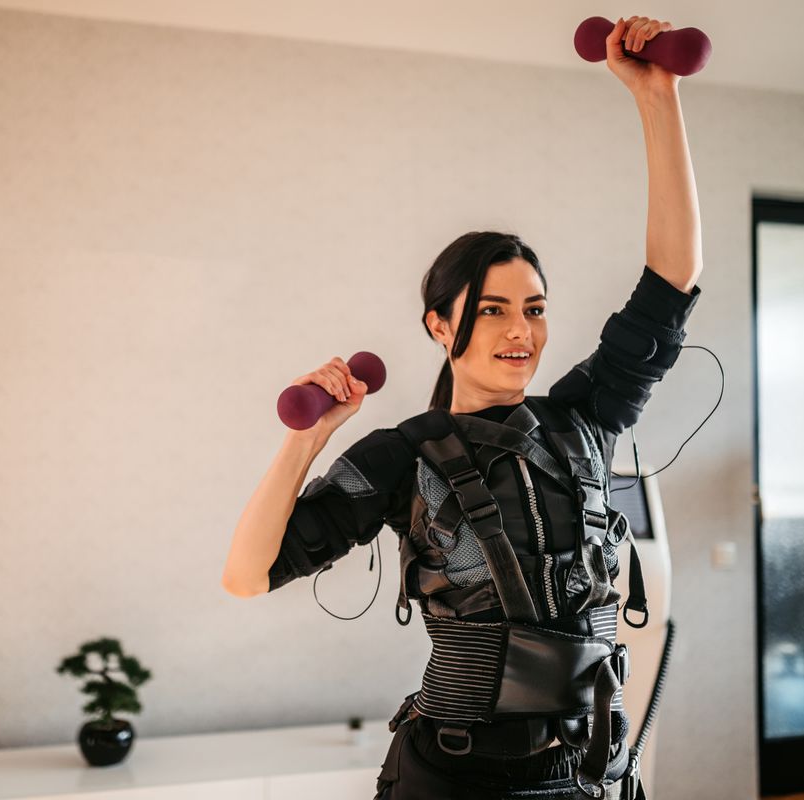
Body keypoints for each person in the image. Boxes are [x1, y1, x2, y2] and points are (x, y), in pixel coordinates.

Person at [221, 16, 703, 800]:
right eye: (491, 310)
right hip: (452, 778)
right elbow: (247, 577)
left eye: (536, 308)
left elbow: (671, 282)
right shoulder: (401, 456)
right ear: (439, 325)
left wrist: (658, 98)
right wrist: (305, 442)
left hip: (584, 773)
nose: (521, 330)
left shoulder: (583, 419)